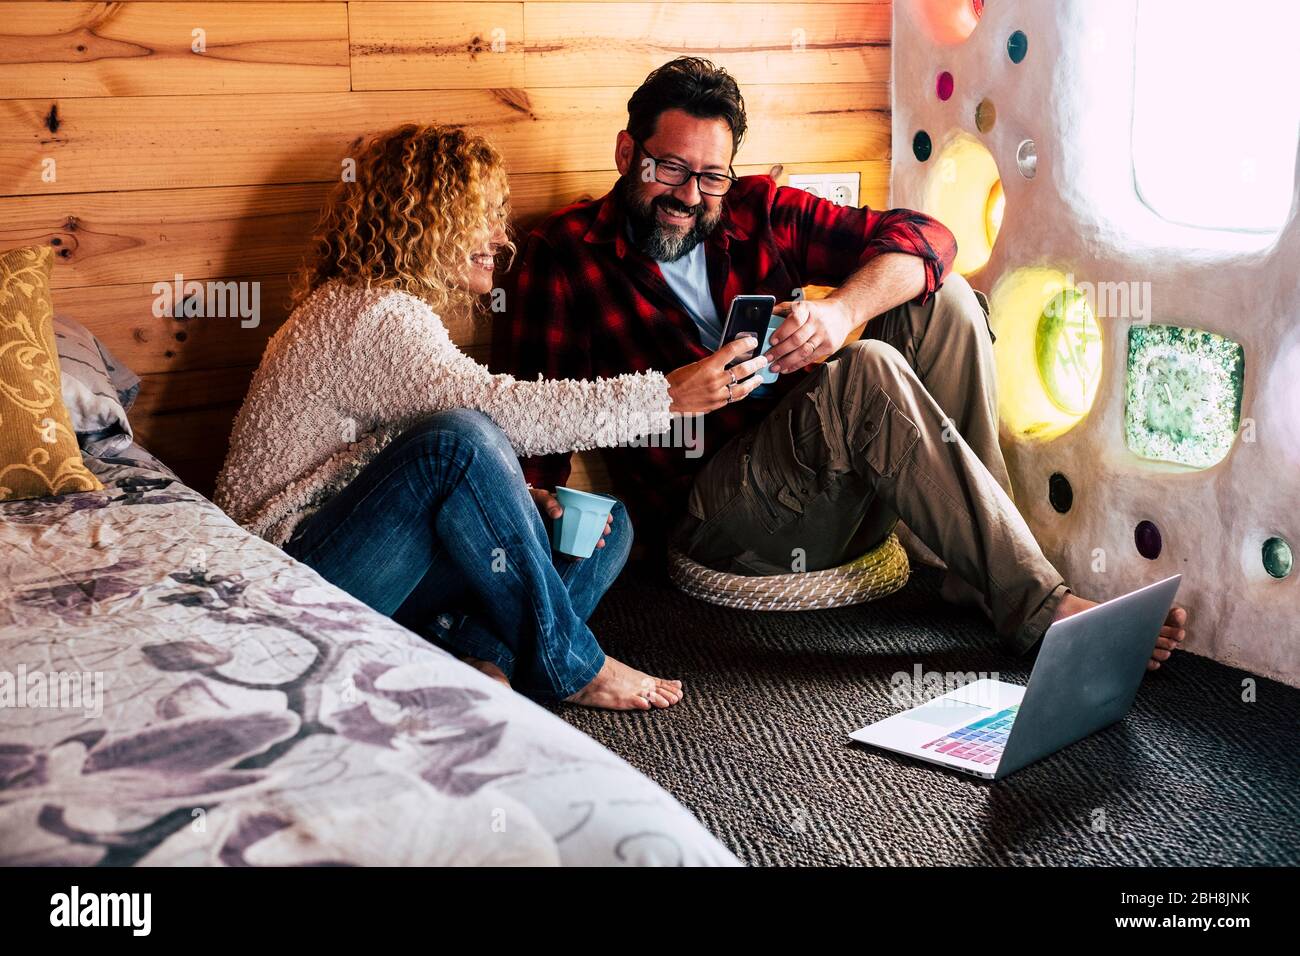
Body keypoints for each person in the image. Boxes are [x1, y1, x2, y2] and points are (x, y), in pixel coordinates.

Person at [492, 57, 1187, 669]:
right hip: (716, 521)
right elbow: (532, 431)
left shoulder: (753, 210)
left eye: (709, 176)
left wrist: (842, 311)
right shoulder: (561, 256)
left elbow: (928, 238)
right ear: (626, 153)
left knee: (943, 305)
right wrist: (539, 519)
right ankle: (1040, 606)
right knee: (865, 373)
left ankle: (979, 573)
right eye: (669, 168)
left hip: (818, 485)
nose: (688, 197)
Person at [215, 123, 770, 710]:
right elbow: (501, 416)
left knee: (604, 530)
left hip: (369, 556)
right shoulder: (368, 313)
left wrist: (515, 498)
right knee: (461, 440)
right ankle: (569, 663)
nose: (501, 237)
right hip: (288, 577)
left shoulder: (390, 313)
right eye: (482, 215)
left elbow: (389, 459)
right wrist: (669, 396)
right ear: (425, 216)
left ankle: (483, 661)